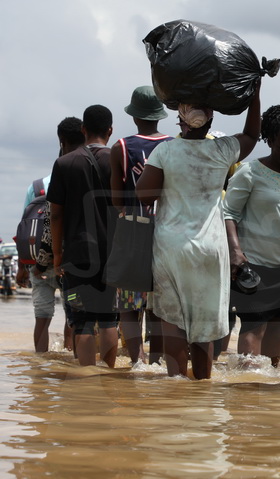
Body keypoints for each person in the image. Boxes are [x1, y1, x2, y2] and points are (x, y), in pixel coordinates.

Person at [136, 86, 261, 380]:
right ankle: (202, 387)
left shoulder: (165, 150)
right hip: (211, 248)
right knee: (205, 326)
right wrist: (255, 93)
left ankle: (177, 385)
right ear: (210, 117)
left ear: (179, 118)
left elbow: (143, 195)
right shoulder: (223, 149)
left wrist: (148, 174)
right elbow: (253, 135)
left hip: (171, 248)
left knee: (172, 321)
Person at [224, 104, 280, 367]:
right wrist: (236, 252)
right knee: (253, 327)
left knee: (276, 328)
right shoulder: (249, 172)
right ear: (269, 141)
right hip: (252, 266)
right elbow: (228, 214)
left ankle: (269, 395)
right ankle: (246, 388)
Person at [48, 105, 119, 367]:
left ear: (83, 129)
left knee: (83, 320)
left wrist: (57, 255)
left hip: (77, 252)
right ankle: (108, 374)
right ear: (110, 131)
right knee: (110, 318)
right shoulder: (117, 160)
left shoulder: (64, 163)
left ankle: (87, 378)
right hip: (113, 251)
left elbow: (56, 214)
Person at [110, 85, 173, 366]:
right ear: (159, 116)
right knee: (159, 305)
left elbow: (116, 199)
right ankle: (158, 362)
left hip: (134, 232)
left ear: (135, 117)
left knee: (128, 303)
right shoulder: (175, 145)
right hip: (168, 232)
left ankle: (137, 361)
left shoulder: (122, 147)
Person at [16, 117, 83, 352]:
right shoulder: (84, 176)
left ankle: (40, 372)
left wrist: (22, 268)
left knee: (42, 319)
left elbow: (24, 229)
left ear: (61, 141)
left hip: (38, 264)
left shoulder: (36, 187)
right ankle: (70, 365)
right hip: (73, 260)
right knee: (72, 320)